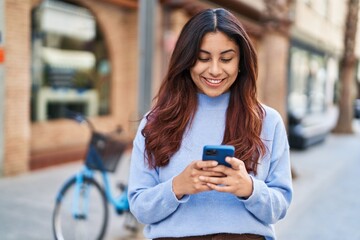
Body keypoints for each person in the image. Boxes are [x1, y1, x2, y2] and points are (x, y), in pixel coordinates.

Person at [128, 8, 293, 240]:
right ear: (186, 60)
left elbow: (280, 206)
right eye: (203, 58)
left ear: (240, 62)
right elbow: (139, 207)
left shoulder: (267, 121)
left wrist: (249, 189)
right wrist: (177, 186)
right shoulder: (156, 121)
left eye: (226, 58)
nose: (215, 70)